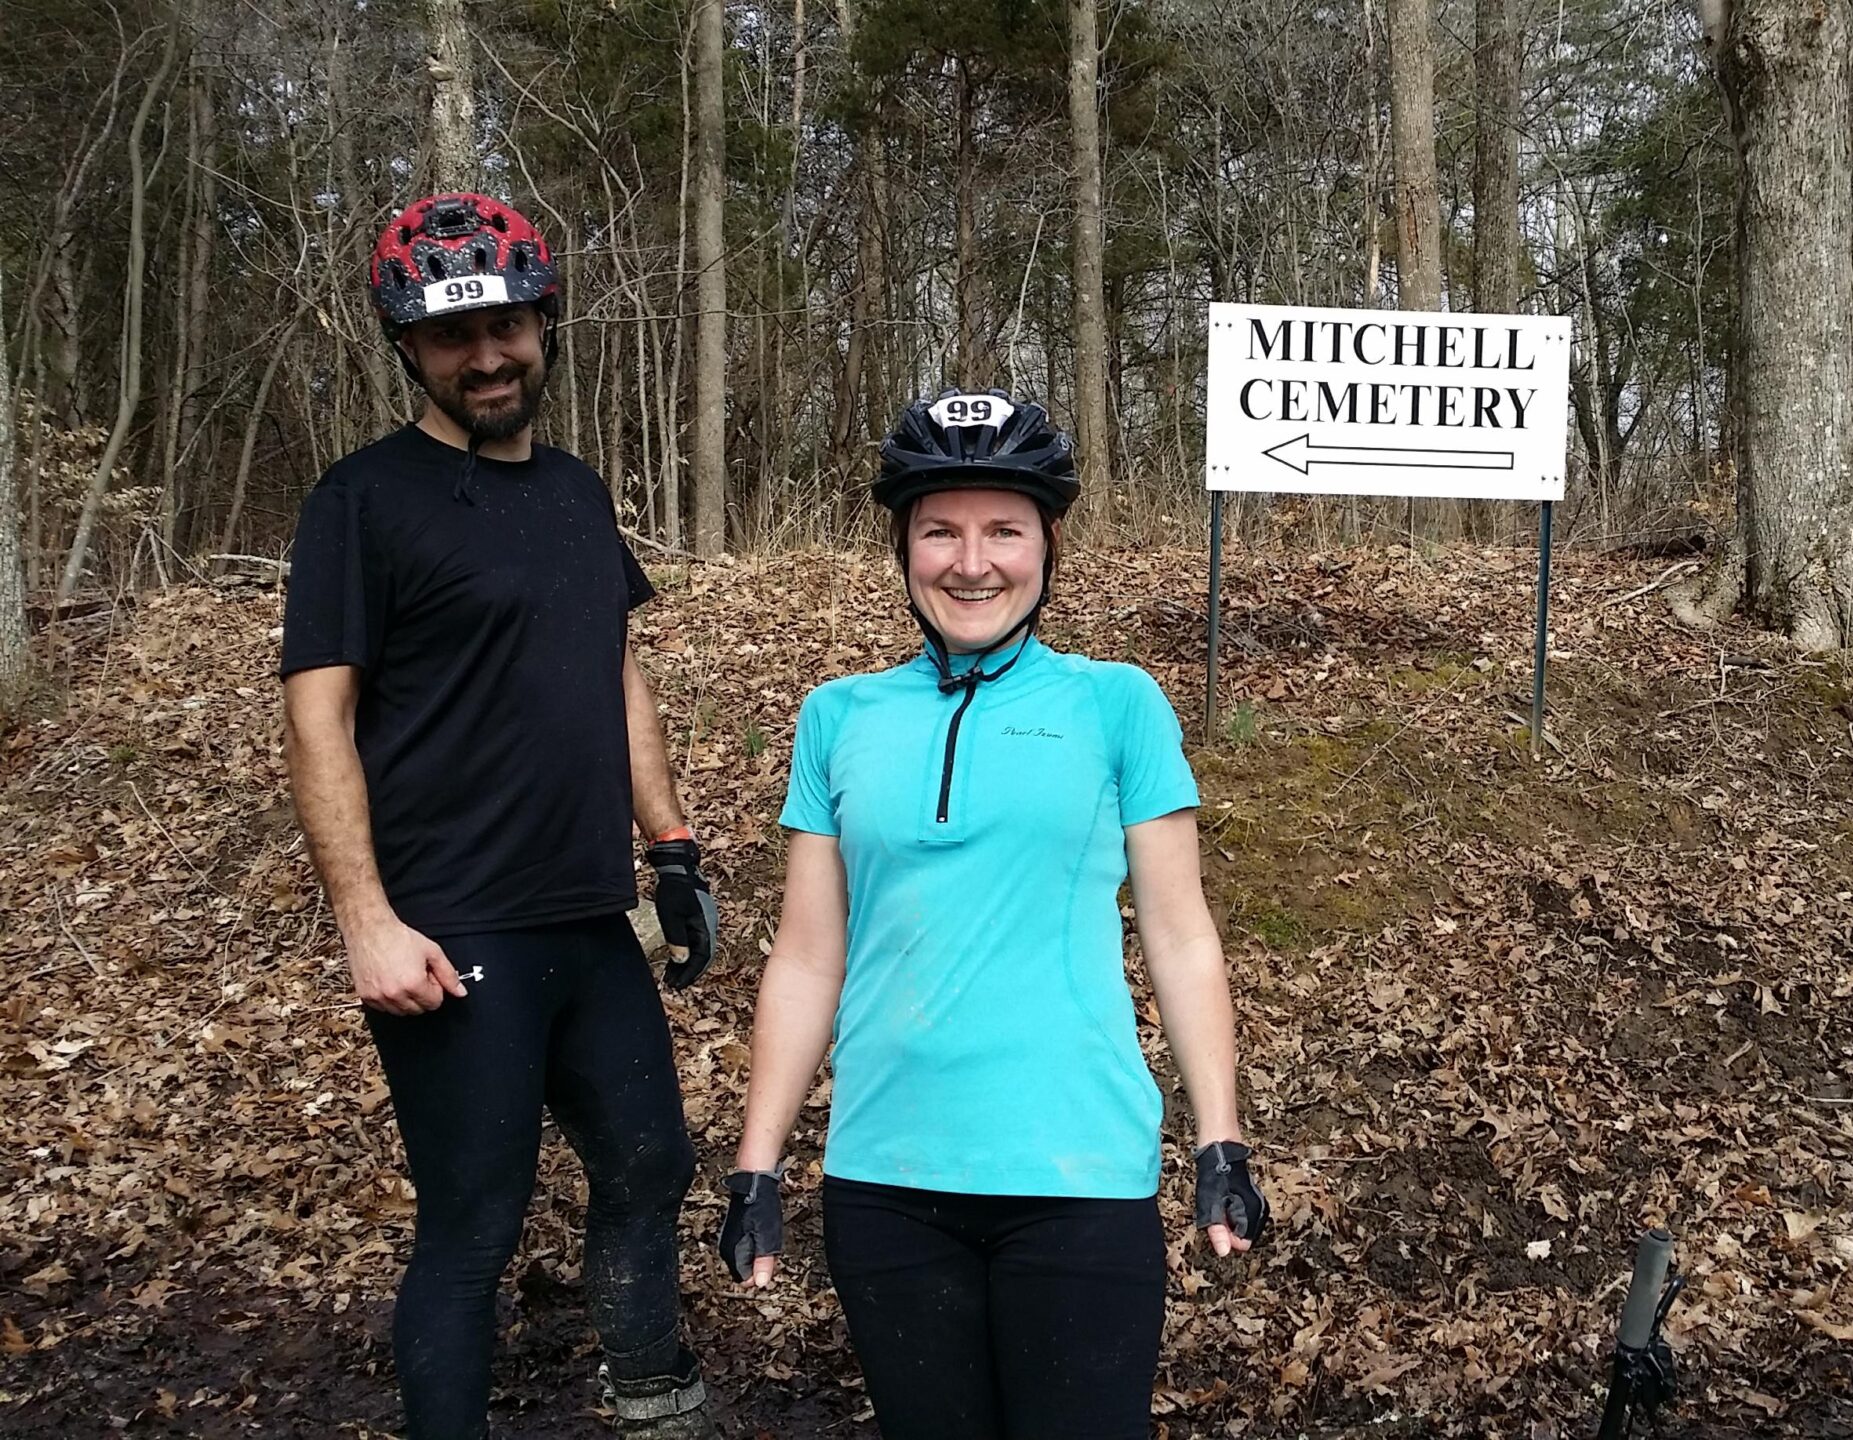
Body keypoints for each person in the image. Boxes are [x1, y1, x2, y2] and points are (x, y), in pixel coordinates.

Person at [715, 390, 1269, 1438]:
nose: (972, 562)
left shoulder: (1118, 704)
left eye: (1002, 529)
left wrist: (1220, 1143)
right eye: (940, 531)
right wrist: (757, 1162)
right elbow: (803, 958)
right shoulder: (837, 716)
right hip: (885, 1184)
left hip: (1078, 1177)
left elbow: (1181, 934)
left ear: (1046, 543)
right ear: (903, 548)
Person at [278, 192, 724, 1440]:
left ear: (544, 322)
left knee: (648, 1163)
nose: (484, 357)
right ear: (406, 348)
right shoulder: (362, 502)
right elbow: (319, 720)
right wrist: (365, 920)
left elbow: (613, 672)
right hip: (452, 928)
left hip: (586, 912)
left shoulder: (577, 495)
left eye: (505, 327)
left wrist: (672, 847)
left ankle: (649, 1387)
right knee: (473, 1224)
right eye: (447, 336)